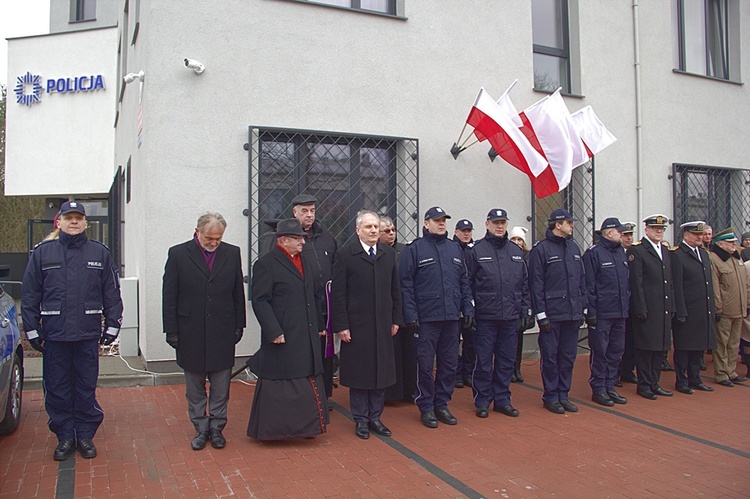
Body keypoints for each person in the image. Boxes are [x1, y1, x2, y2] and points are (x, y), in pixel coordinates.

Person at [22, 201, 123, 461]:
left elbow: (111, 293)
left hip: (87, 335)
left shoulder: (100, 253)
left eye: (79, 218)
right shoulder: (42, 253)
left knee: (85, 387)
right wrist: (32, 331)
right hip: (54, 336)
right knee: (57, 388)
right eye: (69, 218)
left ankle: (85, 435)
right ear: (59, 222)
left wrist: (112, 325)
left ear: (86, 222)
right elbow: (30, 294)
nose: (74, 222)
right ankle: (65, 436)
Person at [162, 213, 246, 450]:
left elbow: (237, 292)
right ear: (197, 231)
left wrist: (240, 324)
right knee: (195, 386)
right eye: (209, 238)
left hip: (222, 329)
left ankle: (217, 428)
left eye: (218, 238)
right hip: (190, 331)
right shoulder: (178, 254)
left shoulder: (231, 253)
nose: (214, 243)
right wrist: (171, 330)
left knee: (221, 386)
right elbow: (169, 295)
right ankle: (200, 427)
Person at [247, 219, 329, 440]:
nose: (303, 242)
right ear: (283, 240)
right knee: (282, 382)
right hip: (282, 334)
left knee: (306, 378)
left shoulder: (307, 261)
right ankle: (277, 431)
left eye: (303, 237)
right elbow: (260, 301)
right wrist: (273, 330)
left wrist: (320, 326)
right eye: (298, 238)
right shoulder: (266, 264)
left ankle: (306, 428)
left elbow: (315, 295)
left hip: (306, 332)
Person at [399, 206, 473, 428]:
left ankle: (442, 404)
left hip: (451, 318)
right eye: (436, 220)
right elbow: (405, 285)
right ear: (426, 223)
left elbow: (464, 282)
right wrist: (410, 314)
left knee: (449, 364)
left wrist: (468, 309)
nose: (441, 224)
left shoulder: (454, 249)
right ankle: (426, 407)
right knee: (424, 365)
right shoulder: (415, 249)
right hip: (426, 318)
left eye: (443, 220)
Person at [331, 211, 402, 439]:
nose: (373, 231)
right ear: (358, 230)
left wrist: (395, 319)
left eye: (375, 227)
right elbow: (338, 294)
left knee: (380, 371)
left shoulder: (388, 254)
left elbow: (395, 290)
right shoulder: (345, 255)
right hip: (357, 325)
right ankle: (361, 419)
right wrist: (341, 325)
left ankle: (375, 417)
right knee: (361, 374)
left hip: (382, 324)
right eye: (369, 227)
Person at [465, 209, 531, 418]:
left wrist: (525, 310)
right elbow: (467, 284)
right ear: (487, 224)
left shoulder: (515, 251)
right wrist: (470, 310)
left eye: (502, 223)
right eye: (495, 223)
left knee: (506, 361)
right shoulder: (476, 250)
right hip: (486, 317)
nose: (499, 226)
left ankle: (502, 400)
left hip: (510, 316)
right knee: (483, 362)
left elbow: (524, 284)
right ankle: (483, 400)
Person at [528, 208, 587, 414]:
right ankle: (551, 396)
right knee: (551, 357)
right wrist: (541, 314)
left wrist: (582, 307)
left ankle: (564, 394)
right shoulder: (541, 250)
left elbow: (581, 281)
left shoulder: (574, 248)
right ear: (558, 225)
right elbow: (536, 284)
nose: (572, 226)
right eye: (569, 223)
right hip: (552, 314)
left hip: (571, 312)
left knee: (568, 356)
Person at [291, 194, 338, 405]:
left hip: (326, 308)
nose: (309, 215)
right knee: (304, 354)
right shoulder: (288, 238)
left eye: (312, 211)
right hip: (301, 308)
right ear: (295, 212)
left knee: (326, 355)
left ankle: (325, 395)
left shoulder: (326, 237)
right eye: (304, 211)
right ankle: (305, 395)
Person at [582, 218, 631, 406]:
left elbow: (625, 284)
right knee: (600, 351)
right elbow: (589, 285)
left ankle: (610, 386)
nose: (623, 235)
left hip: (619, 312)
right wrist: (591, 312)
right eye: (620, 232)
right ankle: (599, 388)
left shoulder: (621, 253)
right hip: (602, 313)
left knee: (616, 350)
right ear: (609, 233)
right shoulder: (594, 254)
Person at [627, 214, 675, 400]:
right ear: (646, 229)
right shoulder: (638, 251)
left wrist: (671, 306)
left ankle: (655, 382)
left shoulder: (664, 250)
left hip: (662, 307)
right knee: (646, 349)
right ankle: (644, 384)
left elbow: (668, 281)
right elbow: (636, 283)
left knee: (660, 348)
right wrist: (640, 309)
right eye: (655, 229)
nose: (659, 232)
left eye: (661, 229)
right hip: (647, 308)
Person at [670, 221, 717, 394]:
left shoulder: (703, 254)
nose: (699, 238)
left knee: (698, 347)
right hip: (687, 309)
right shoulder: (678, 255)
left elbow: (708, 284)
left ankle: (695, 378)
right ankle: (681, 380)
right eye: (696, 235)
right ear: (686, 235)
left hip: (702, 308)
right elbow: (677, 285)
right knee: (684, 347)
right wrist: (680, 311)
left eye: (701, 234)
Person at [708, 227, 750, 387]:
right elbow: (715, 286)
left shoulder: (735, 258)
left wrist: (745, 304)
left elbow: (745, 283)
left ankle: (731, 371)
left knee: (734, 343)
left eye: (733, 242)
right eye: (729, 242)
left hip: (739, 308)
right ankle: (721, 373)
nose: (733, 245)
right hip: (725, 309)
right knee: (722, 343)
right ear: (720, 244)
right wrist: (718, 307)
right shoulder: (714, 259)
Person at [379, 216, 414, 403]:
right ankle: (391, 393)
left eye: (393, 230)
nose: (391, 233)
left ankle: (409, 390)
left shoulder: (405, 250)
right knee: (391, 352)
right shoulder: (378, 253)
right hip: (387, 309)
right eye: (387, 231)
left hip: (406, 307)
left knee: (408, 352)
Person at [452, 219, 476, 389]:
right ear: (456, 232)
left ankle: (468, 372)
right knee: (453, 342)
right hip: (454, 303)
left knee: (471, 340)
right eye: (463, 231)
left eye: (469, 231)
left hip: (471, 302)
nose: (466, 234)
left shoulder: (474, 250)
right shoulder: (452, 249)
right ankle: (457, 372)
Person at [615, 222, 638, 387]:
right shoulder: (616, 254)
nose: (629, 238)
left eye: (631, 235)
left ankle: (627, 370)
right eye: (625, 235)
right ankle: (615, 372)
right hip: (617, 304)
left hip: (632, 302)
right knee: (617, 342)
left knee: (632, 339)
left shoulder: (635, 254)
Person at [509, 226, 531, 382]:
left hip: (522, 302)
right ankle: (509, 368)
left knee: (519, 338)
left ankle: (517, 367)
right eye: (514, 239)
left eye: (519, 240)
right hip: (510, 302)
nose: (517, 242)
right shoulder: (507, 255)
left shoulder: (529, 257)